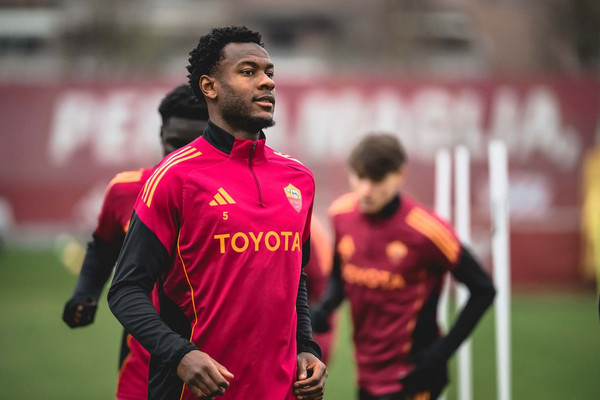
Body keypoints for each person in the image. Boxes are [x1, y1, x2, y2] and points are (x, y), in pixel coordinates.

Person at [108, 26, 327, 400]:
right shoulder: (175, 177)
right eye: (248, 71)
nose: (267, 82)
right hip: (196, 392)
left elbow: (295, 278)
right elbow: (126, 290)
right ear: (210, 87)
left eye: (269, 72)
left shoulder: (299, 178)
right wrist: (180, 354)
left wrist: (306, 345)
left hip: (281, 391)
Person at [311, 133, 496, 400]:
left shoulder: (427, 230)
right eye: (360, 177)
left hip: (413, 377)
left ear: (399, 175)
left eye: (377, 180)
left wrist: (439, 354)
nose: (366, 189)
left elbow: (483, 289)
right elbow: (341, 273)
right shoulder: (341, 214)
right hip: (366, 372)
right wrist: (326, 307)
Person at [62, 84, 208, 399]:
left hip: (217, 359)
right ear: (161, 137)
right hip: (143, 359)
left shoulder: (238, 199)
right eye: (175, 144)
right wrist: (85, 292)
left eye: (194, 145)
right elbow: (103, 248)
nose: (182, 156)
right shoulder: (126, 190)